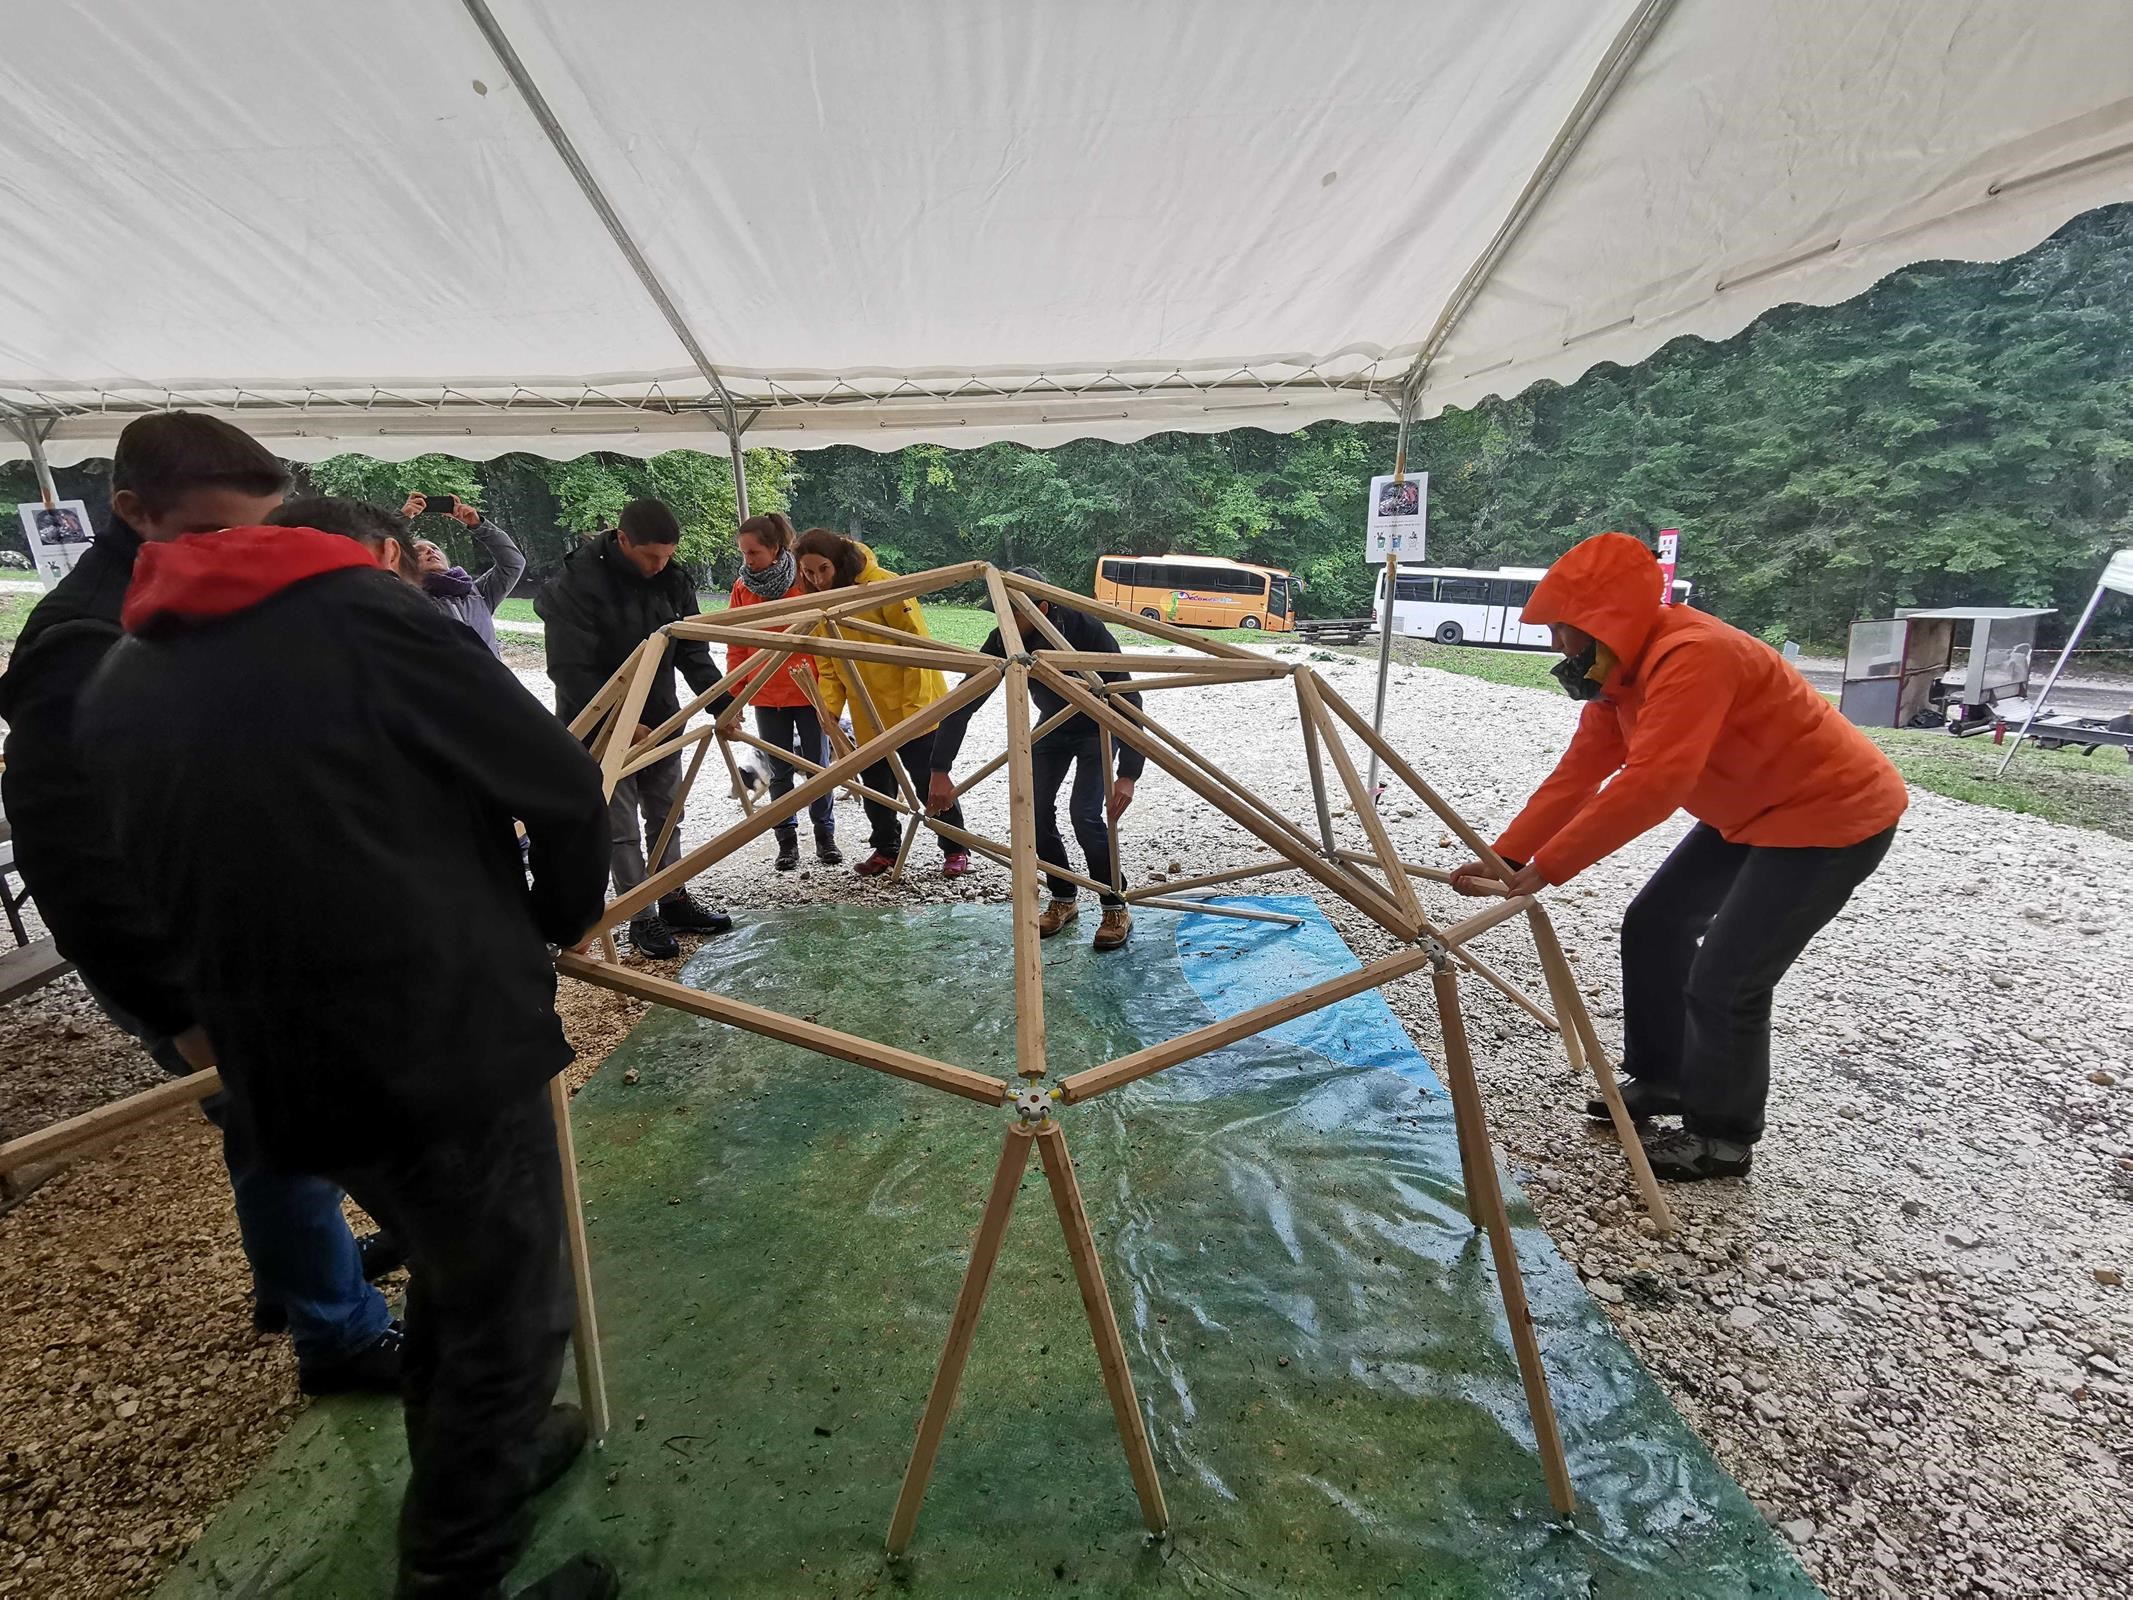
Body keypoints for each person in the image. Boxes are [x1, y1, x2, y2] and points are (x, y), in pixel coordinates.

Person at [79, 507, 620, 1600]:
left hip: (281, 1057)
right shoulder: (367, 621)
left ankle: (494, 1468)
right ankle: (455, 1574)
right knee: (511, 1315)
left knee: (449, 1279)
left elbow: (104, 865)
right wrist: (558, 920)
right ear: (367, 555)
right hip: (435, 1040)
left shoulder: (128, 668)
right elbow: (561, 785)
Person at [0, 413, 401, 1394]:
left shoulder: (180, 599)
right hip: (192, 956)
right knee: (290, 1122)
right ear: (134, 510)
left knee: (271, 1130)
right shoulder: (86, 640)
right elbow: (71, 851)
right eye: (220, 534)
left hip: (246, 928)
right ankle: (339, 1336)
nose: (241, 557)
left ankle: (296, 1280)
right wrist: (173, 1005)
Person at [1449, 532, 1907, 1182]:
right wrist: (1505, 854)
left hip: (1829, 813)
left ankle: (1721, 1137)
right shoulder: (1618, 674)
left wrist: (1548, 868)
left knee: (1727, 979)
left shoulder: (1693, 654)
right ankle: (1664, 1078)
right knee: (1655, 923)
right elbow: (1577, 776)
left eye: (1564, 629)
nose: (1557, 645)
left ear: (1606, 623)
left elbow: (1653, 784)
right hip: (1747, 811)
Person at [536, 498, 733, 959]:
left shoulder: (672, 579)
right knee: (620, 825)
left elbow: (691, 649)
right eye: (651, 556)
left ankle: (674, 898)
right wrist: (620, 722)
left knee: (668, 814)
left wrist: (721, 702)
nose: (659, 565)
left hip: (661, 713)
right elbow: (569, 668)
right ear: (622, 539)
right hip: (600, 722)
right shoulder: (576, 585)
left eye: (667, 556)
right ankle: (640, 913)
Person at [929, 567, 1144, 950]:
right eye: (999, 613)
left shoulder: (1086, 628)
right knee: (1034, 810)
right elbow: (965, 701)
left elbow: (1129, 697)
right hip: (1053, 728)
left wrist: (1128, 773)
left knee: (1086, 814)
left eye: (1010, 613)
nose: (1002, 623)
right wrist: (940, 768)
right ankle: (1063, 897)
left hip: (1096, 727)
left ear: (1040, 607)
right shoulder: (1005, 639)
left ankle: (1114, 903)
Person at [792, 528, 968, 877]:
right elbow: (828, 665)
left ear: (839, 560)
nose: (817, 579)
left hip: (913, 703)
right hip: (867, 709)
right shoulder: (819, 605)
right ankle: (885, 848)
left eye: (823, 569)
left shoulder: (884, 586)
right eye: (808, 572)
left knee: (928, 781)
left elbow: (917, 648)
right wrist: (829, 708)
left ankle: (954, 848)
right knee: (876, 785)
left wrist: (916, 711)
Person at [728, 512, 840, 870]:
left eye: (753, 553)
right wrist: (737, 694)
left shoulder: (803, 582)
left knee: (818, 767)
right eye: (743, 553)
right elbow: (735, 644)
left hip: (807, 691)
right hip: (765, 693)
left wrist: (829, 691)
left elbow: (825, 635)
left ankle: (825, 838)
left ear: (775, 548)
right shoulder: (742, 588)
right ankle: (787, 842)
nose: (748, 560)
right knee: (778, 771)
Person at [399, 491, 527, 659]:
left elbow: (513, 563)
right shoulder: (404, 598)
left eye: (434, 548)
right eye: (418, 551)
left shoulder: (479, 593)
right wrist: (401, 520)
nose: (430, 550)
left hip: (489, 683)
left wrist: (477, 525)